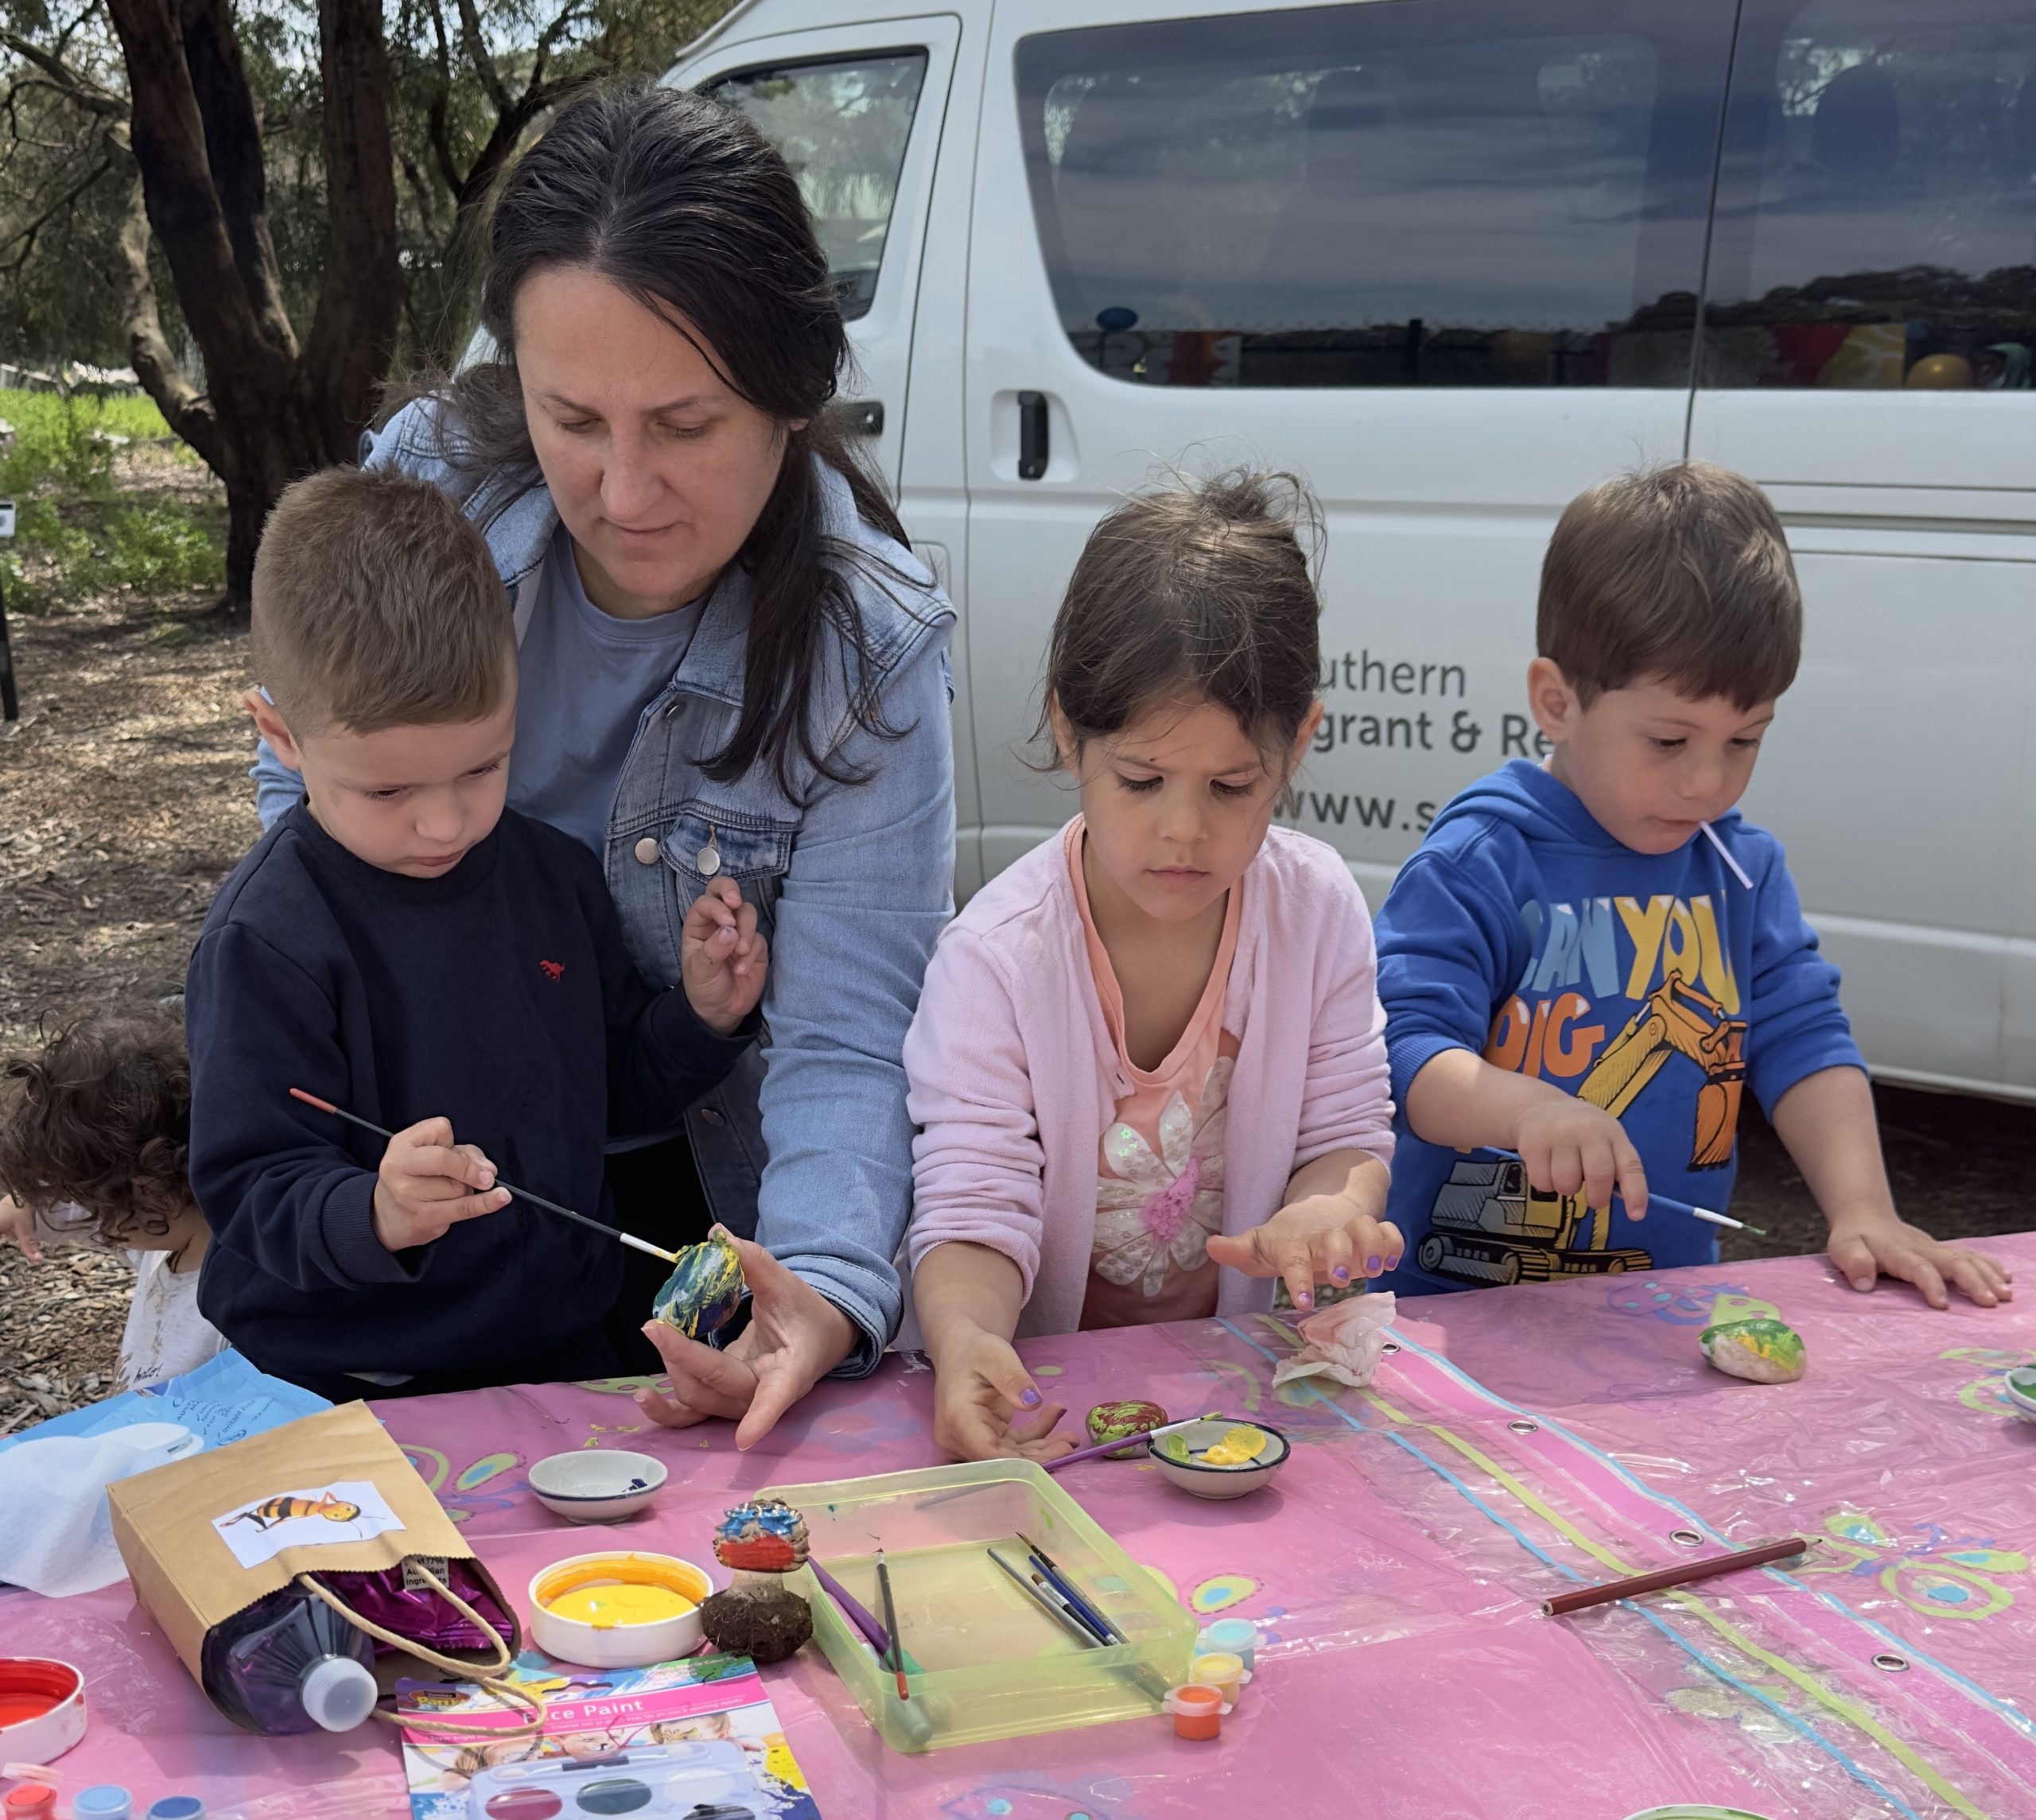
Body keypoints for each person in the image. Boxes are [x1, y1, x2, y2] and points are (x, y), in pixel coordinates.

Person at [247, 84, 955, 1442]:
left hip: (691, 1208)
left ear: (792, 395)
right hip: (397, 1190)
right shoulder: (427, 489)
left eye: (685, 427)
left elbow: (850, 1038)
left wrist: (815, 1290)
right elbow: (300, 817)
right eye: (574, 418)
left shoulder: (865, 648)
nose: (624, 495)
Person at [188, 466, 769, 1402]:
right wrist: (372, 1209)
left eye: (482, 767)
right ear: (281, 735)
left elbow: (611, 1093)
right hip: (343, 1380)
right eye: (385, 790)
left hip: (564, 1357)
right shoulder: (268, 937)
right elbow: (251, 1180)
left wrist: (700, 1018)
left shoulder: (552, 879)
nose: (445, 825)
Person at [1374, 462, 2012, 1310]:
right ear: (1556, 702)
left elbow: (1804, 1040)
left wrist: (1866, 1212)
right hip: (1450, 1303)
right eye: (1670, 742)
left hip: (1663, 1303)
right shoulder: (1481, 860)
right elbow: (1403, 1054)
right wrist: (1524, 1112)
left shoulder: (1740, 868)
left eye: (1744, 741)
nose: (1706, 784)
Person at [903, 474, 1398, 1462]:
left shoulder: (1317, 909)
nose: (1184, 828)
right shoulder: (997, 961)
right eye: (1140, 781)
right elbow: (972, 1202)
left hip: (1245, 1403)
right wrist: (965, 1342)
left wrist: (1330, 1209)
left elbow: (1346, 1133)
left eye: (1229, 786)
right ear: (1065, 730)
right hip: (1043, 1410)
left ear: (1298, 741)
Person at [0, 1007, 228, 1389]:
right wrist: (19, 1209)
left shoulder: (232, 1300)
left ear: (147, 1192)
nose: (92, 1221)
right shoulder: (159, 1238)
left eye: (98, 1209)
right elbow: (53, 1207)